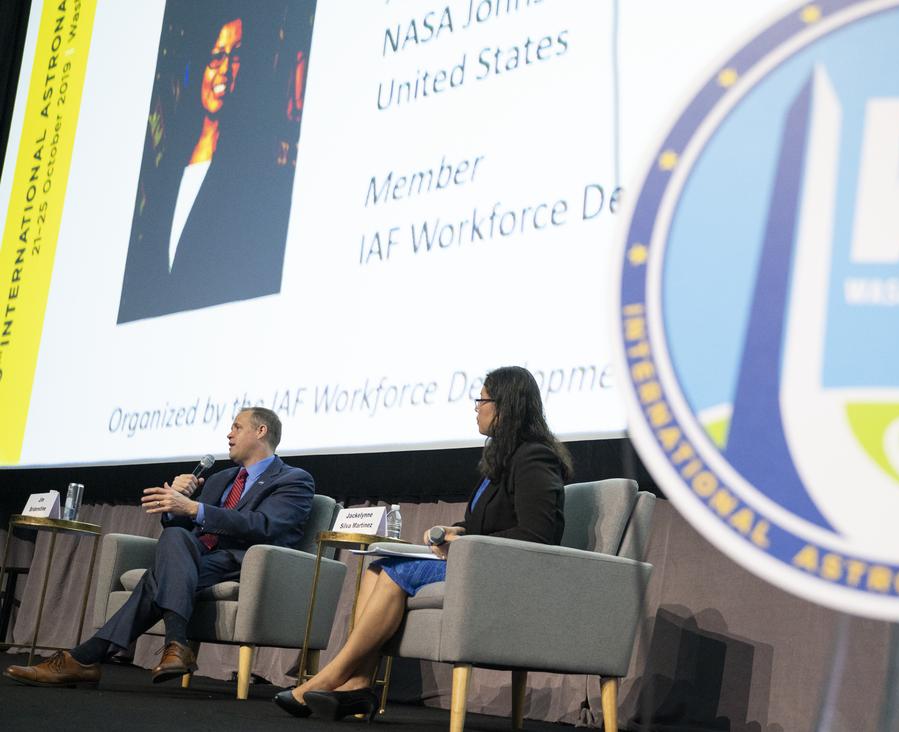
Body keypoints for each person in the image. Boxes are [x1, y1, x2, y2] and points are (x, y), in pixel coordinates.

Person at [272, 366, 572, 720]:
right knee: (379, 566)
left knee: (401, 571)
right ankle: (358, 684)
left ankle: (331, 677)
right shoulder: (502, 460)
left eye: (482, 399)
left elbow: (538, 534)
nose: (476, 407)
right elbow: (489, 525)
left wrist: (466, 543)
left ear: (506, 406)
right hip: (481, 562)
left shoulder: (534, 456)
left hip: (507, 574)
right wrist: (456, 531)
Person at [3, 407, 315, 687]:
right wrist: (174, 505)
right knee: (176, 539)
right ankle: (174, 646)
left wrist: (194, 508)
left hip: (247, 563)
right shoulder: (221, 479)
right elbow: (180, 529)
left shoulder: (293, 479)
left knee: (160, 575)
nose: (228, 434)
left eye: (237, 426)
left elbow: (267, 527)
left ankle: (87, 657)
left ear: (261, 431)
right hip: (200, 558)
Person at [117, 5, 297, 323]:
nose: (225, 71)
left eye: (236, 56)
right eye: (216, 57)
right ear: (200, 63)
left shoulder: (250, 171)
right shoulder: (169, 164)